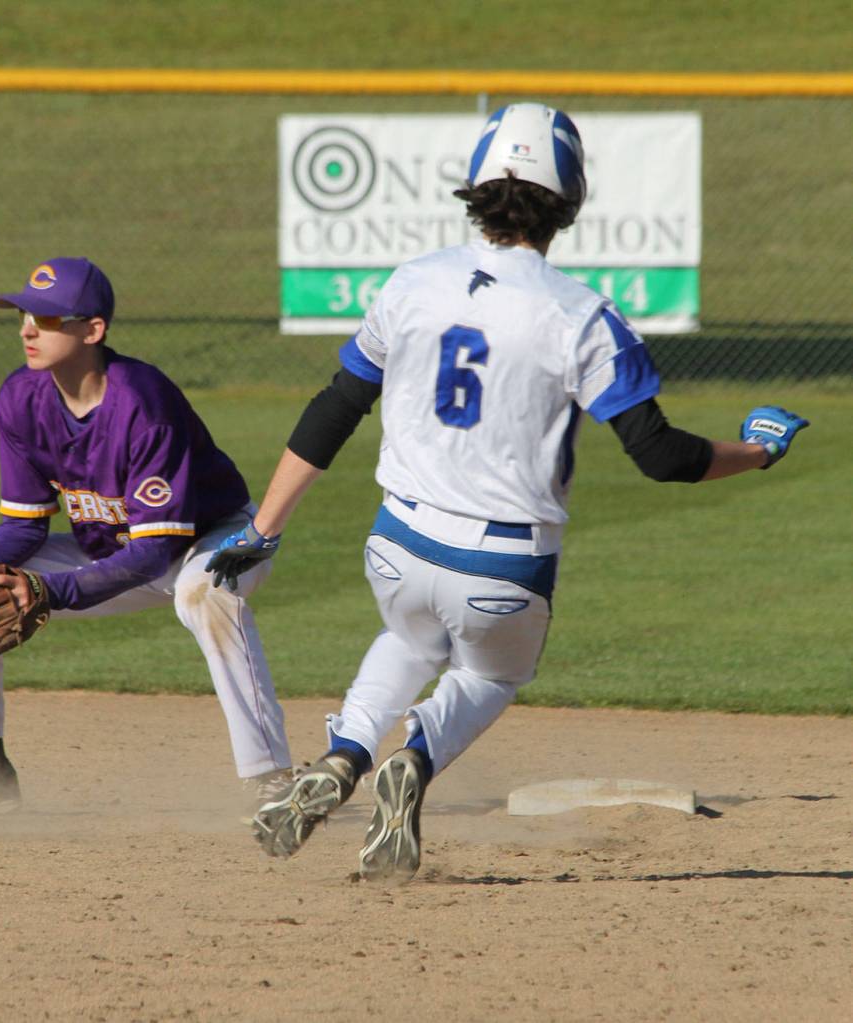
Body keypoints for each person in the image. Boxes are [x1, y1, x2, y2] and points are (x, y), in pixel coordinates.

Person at [205, 102, 810, 883]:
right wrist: (757, 451)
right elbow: (661, 456)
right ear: (570, 199)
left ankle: (347, 751)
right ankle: (413, 760)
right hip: (505, 566)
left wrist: (264, 525)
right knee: (490, 675)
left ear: (476, 185)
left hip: (396, 544)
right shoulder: (583, 316)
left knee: (409, 636)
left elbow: (335, 408)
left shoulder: (413, 282)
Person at [0, 257, 295, 816]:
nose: (28, 328)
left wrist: (51, 592)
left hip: (209, 538)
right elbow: (23, 525)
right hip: (116, 548)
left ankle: (272, 779)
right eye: (25, 314)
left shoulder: (144, 404)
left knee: (207, 593)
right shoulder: (21, 400)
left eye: (48, 319)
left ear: (92, 330)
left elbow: (156, 550)